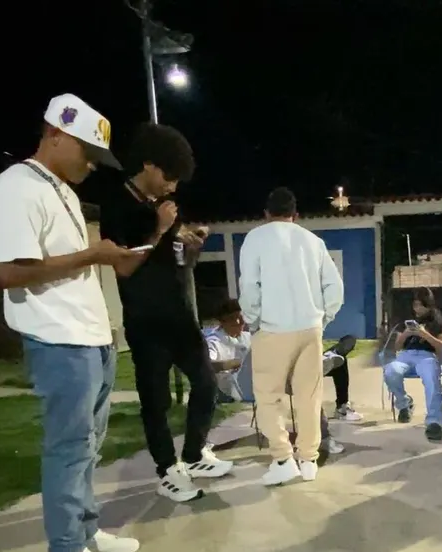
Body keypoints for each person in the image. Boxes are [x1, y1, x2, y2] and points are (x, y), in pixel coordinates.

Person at [0, 93, 144, 552]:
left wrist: (103, 257)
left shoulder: (63, 193)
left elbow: (68, 263)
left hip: (91, 337)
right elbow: (9, 271)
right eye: (88, 153)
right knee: (69, 448)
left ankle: (87, 535)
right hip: (59, 339)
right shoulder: (17, 187)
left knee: (89, 446)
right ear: (56, 134)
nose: (91, 166)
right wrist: (92, 255)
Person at [99, 122, 232, 505]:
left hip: (178, 314)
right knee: (155, 401)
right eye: (169, 177)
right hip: (146, 320)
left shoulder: (164, 206)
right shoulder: (118, 205)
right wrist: (158, 230)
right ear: (148, 165)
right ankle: (167, 471)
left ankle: (193, 454)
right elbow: (124, 267)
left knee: (206, 384)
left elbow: (173, 257)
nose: (172, 187)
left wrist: (189, 243)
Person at [238, 187, 345, 486]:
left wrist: (253, 321)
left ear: (266, 213)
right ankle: (308, 460)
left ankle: (283, 459)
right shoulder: (313, 241)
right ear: (295, 215)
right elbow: (334, 288)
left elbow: (249, 287)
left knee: (268, 398)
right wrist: (324, 318)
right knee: (309, 397)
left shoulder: (255, 238)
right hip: (310, 329)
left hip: (272, 329)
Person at [203, 299, 348, 455]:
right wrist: (233, 363)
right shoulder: (215, 341)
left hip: (265, 380)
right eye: (232, 319)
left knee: (307, 386)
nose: (238, 323)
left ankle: (324, 437)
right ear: (222, 322)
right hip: (236, 385)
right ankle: (317, 363)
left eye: (240, 318)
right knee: (262, 344)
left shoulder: (245, 336)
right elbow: (207, 364)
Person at [384, 287, 442, 441]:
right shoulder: (407, 318)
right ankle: (404, 403)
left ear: (429, 305)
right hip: (406, 355)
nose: (418, 309)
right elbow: (397, 347)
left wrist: (424, 334)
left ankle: (434, 421)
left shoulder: (436, 319)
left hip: (426, 356)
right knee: (390, 371)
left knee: (431, 377)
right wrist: (406, 334)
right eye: (415, 305)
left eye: (421, 306)